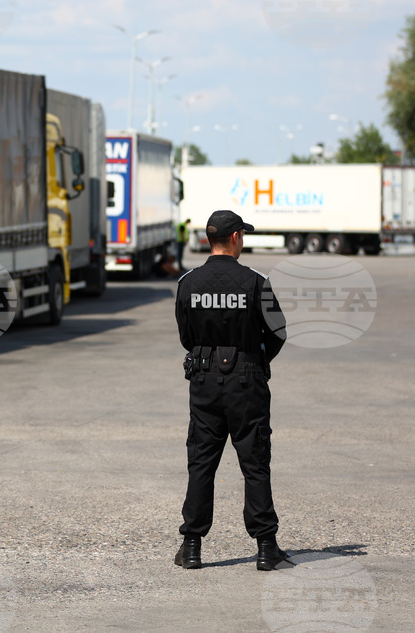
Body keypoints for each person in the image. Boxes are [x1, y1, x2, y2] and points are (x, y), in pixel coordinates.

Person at [173, 209, 291, 571]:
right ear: (236, 237)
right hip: (246, 381)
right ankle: (266, 549)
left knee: (201, 463)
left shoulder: (188, 282)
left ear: (211, 239)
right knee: (255, 463)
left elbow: (186, 336)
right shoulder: (256, 281)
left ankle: (191, 547)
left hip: (204, 381)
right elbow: (278, 332)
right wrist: (253, 361)